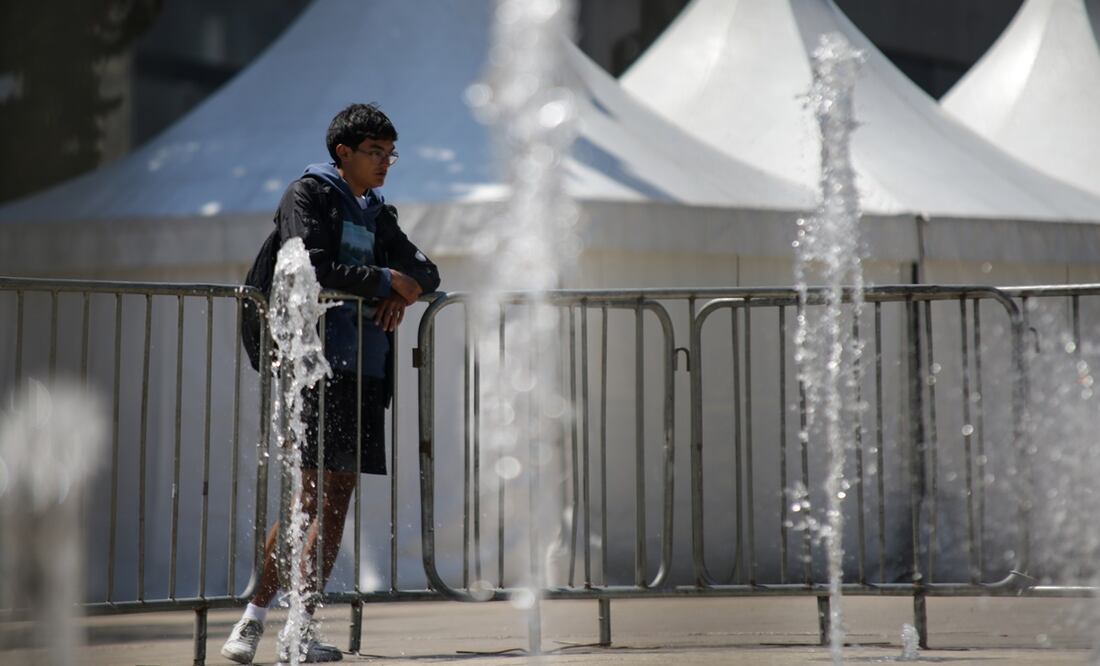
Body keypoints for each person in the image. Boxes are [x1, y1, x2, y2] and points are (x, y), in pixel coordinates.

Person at [222, 103, 440, 664]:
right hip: (316, 367)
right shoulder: (309, 194)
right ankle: (263, 623)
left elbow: (427, 271)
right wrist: (384, 280)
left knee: (331, 500)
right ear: (342, 152)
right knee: (313, 498)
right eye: (375, 152)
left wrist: (398, 287)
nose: (385, 163)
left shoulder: (377, 210)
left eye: (391, 154)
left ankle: (286, 625)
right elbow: (309, 266)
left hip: (364, 370)